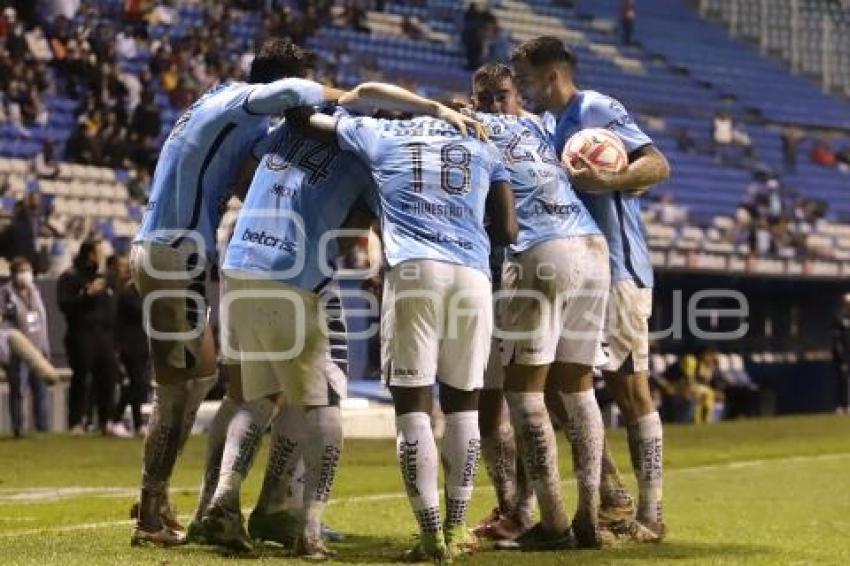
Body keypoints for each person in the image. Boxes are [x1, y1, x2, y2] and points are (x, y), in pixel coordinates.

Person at [129, 36, 483, 547]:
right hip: (256, 265)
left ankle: (219, 505)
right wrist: (425, 109)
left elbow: (254, 178)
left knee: (238, 391)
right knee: (312, 400)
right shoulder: (359, 143)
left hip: (233, 260)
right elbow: (355, 102)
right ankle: (288, 522)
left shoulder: (250, 118)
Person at [294, 99, 517, 560]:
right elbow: (508, 228)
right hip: (472, 274)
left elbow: (306, 122)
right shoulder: (479, 140)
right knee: (464, 409)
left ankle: (431, 535)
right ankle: (457, 530)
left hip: (415, 271)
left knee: (413, 407)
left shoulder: (382, 134)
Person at [512, 36, 671, 539]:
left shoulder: (595, 108)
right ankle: (611, 491)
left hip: (620, 270)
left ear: (551, 76)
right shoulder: (544, 127)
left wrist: (612, 180)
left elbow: (657, 165)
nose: (523, 89)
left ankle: (650, 515)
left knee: (629, 389)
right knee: (557, 387)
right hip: (579, 267)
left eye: (527, 80)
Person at [467, 63, 623, 550]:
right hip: (592, 250)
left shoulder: (471, 126)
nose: (495, 105)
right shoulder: (545, 126)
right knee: (578, 390)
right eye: (487, 98)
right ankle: (589, 515)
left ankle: (554, 523)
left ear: (516, 96)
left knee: (525, 395)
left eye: (502, 96)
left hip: (539, 253)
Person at [57, 238, 119, 436]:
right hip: (81, 334)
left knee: (107, 378)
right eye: (99, 252)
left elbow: (111, 307)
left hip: (104, 335)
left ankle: (105, 421)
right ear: (90, 254)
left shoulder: (106, 278)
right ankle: (76, 421)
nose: (102, 256)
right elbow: (64, 305)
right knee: (81, 378)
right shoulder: (70, 277)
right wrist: (87, 294)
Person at [1, 257, 50, 437]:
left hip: (37, 350)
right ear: (13, 274)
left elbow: (42, 322)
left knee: (41, 391)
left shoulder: (35, 292)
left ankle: (43, 427)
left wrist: (45, 349)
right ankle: (19, 428)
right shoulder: (5, 294)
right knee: (18, 391)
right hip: (18, 351)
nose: (25, 275)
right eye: (21, 271)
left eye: (27, 271)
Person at [106, 253, 150, 437]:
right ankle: (124, 421)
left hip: (141, 345)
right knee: (136, 384)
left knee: (137, 385)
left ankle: (127, 422)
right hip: (129, 347)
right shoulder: (128, 294)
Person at [832, 294, 850, 414]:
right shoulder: (839, 318)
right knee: (842, 380)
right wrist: (842, 358)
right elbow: (837, 341)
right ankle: (842, 405)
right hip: (843, 357)